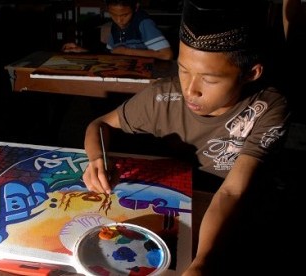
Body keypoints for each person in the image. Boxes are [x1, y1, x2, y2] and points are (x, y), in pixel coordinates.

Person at [81, 0, 292, 275]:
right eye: (183, 70)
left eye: (210, 80)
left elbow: (231, 191)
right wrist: (97, 159)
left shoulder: (268, 108)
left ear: (251, 73)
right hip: (176, 200)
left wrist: (201, 262)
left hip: (238, 211)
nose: (191, 90)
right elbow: (99, 124)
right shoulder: (164, 96)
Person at [62, 0, 174, 60]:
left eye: (125, 15)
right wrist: (82, 50)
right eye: (113, 15)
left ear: (136, 7)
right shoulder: (115, 26)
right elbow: (110, 52)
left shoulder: (143, 22)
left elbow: (166, 54)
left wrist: (127, 51)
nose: (119, 20)